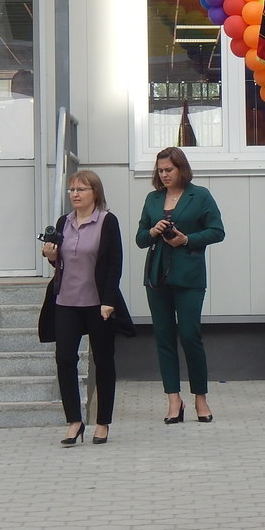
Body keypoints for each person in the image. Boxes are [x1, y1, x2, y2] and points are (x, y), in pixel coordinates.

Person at [39, 169, 134, 446]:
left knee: (103, 361)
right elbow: (59, 261)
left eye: (81, 189)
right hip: (66, 301)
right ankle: (74, 422)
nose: (75, 195)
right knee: (65, 358)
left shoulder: (107, 221)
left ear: (95, 193)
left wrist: (109, 301)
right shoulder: (63, 222)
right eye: (72, 190)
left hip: (97, 303)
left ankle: (103, 422)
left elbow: (114, 263)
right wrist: (50, 255)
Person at [136, 146, 225, 425]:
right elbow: (140, 238)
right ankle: (173, 399)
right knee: (163, 337)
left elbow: (217, 231)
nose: (163, 175)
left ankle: (201, 397)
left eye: (169, 170)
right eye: (160, 170)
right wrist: (152, 231)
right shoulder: (152, 199)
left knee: (189, 335)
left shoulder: (200, 195)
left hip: (189, 277)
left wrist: (186, 240)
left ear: (181, 169)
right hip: (157, 277)